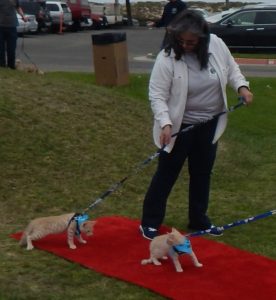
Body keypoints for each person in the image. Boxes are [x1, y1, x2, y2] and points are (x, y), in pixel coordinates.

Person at [140, 10, 253, 240]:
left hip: (209, 123)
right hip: (179, 126)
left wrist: (242, 87)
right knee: (167, 173)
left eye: (191, 42)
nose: (185, 45)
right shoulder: (167, 57)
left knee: (202, 174)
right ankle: (150, 222)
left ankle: (199, 219)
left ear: (202, 38)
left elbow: (232, 69)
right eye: (181, 41)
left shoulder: (217, 45)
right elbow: (157, 95)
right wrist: (165, 123)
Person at [0, 0, 27, 69]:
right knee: (1, 48)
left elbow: (18, 8)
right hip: (1, 26)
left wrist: (23, 16)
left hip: (12, 26)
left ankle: (11, 66)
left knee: (11, 48)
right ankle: (2, 65)